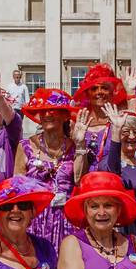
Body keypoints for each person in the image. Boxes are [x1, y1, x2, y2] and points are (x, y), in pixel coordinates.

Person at [15, 87, 84, 252]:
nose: (47, 114)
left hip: (67, 221)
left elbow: (79, 180)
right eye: (43, 111)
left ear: (65, 115)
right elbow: (16, 188)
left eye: (53, 110)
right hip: (34, 220)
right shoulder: (25, 146)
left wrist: (81, 145)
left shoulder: (76, 147)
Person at [97, 104, 136, 231]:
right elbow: (113, 174)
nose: (131, 136)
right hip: (126, 224)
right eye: (125, 132)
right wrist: (117, 129)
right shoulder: (108, 162)